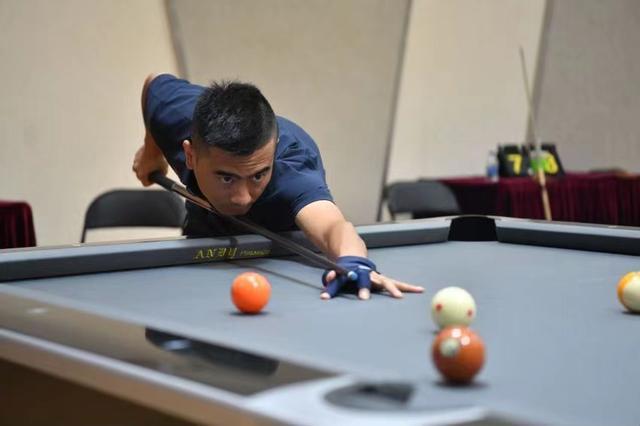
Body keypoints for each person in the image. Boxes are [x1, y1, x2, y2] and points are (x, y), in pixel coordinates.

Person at [132, 74, 423, 300]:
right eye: (226, 178)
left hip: (279, 249)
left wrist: (355, 263)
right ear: (191, 155)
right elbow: (153, 86)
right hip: (204, 235)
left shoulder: (291, 172)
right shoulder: (175, 111)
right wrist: (152, 153)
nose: (242, 197)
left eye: (258, 175)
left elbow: (332, 226)